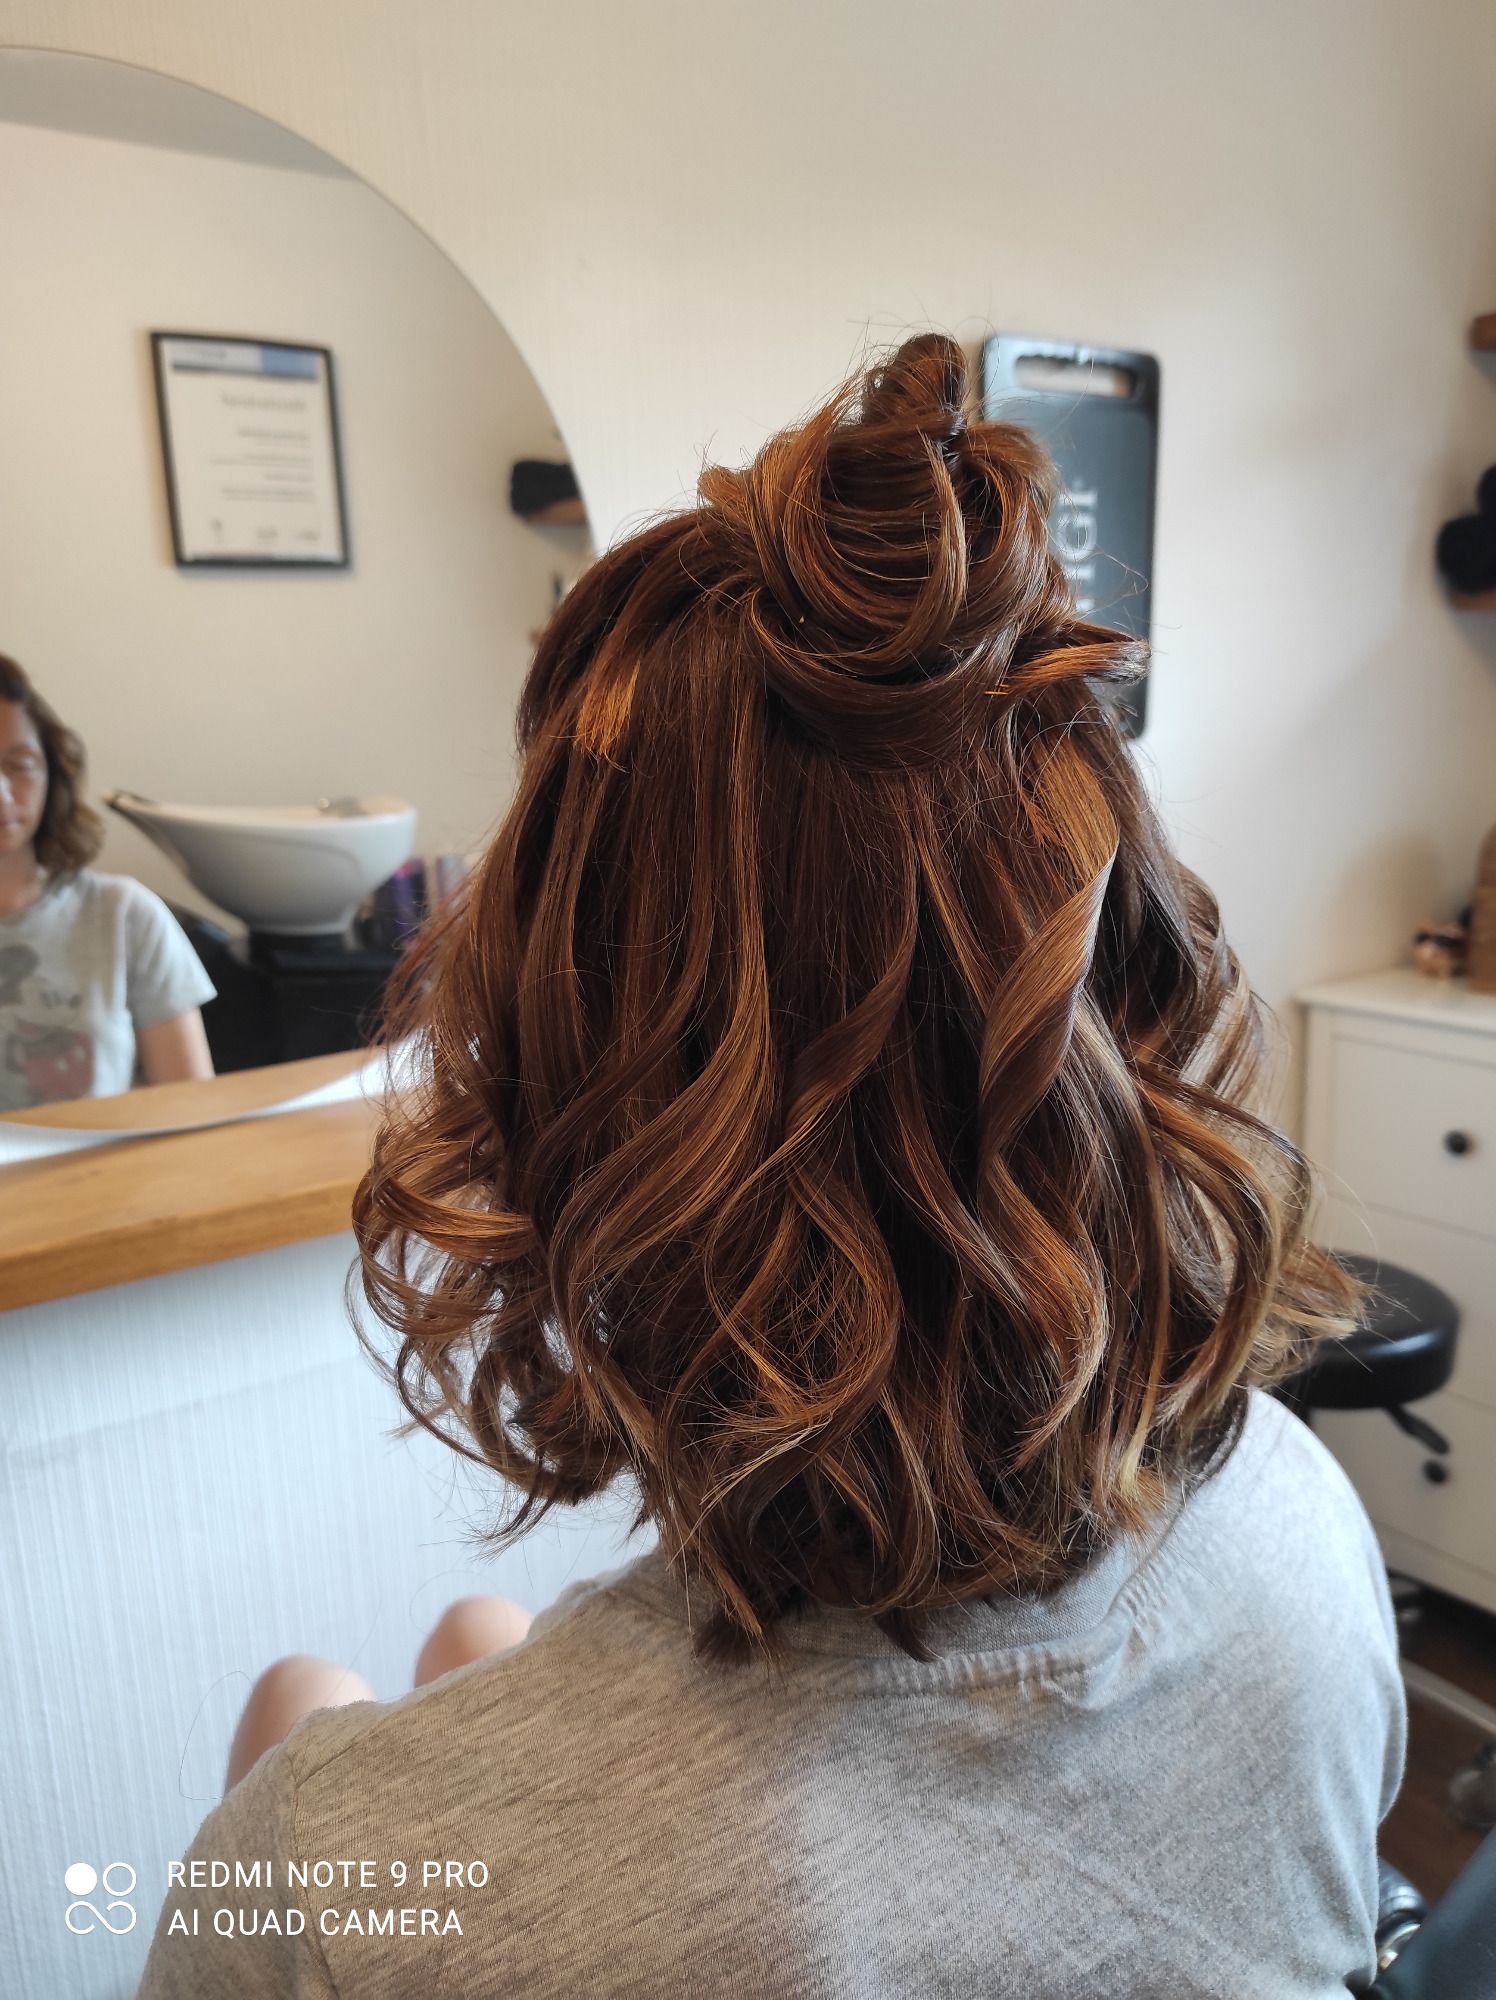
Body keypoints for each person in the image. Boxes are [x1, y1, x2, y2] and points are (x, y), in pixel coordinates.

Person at [136, 335, 1404, 1998]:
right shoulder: (1308, 1532)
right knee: (465, 1656)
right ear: (1122, 996)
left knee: (303, 1710)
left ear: (572, 1088)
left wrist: (304, 1839)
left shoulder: (319, 1875)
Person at [0, 655, 216, 1111]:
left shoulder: (126, 914)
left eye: (20, 765)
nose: (2, 793)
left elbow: (192, 1110)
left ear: (51, 773)